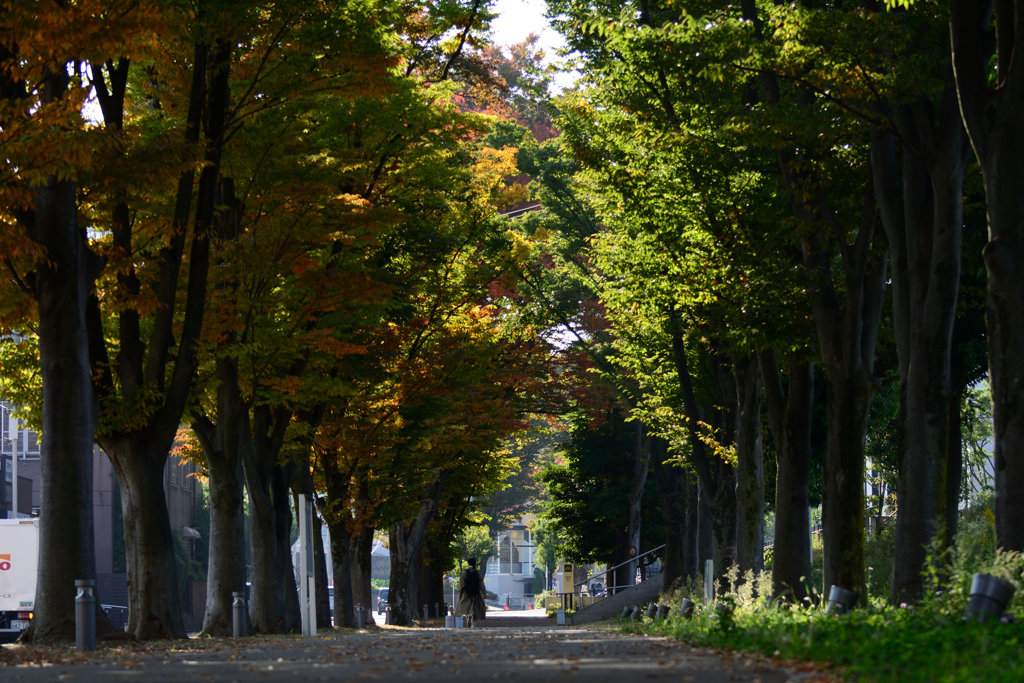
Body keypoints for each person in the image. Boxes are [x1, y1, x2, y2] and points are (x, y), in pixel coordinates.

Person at [456, 557, 487, 627]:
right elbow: (481, 583)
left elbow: (461, 584)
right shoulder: (477, 573)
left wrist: (460, 593)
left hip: (466, 593)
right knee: (475, 607)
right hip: (476, 593)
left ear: (468, 564)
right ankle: (473, 622)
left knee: (465, 605)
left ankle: (468, 615)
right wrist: (484, 593)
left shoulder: (465, 572)